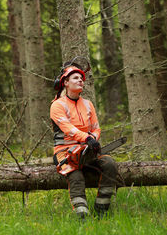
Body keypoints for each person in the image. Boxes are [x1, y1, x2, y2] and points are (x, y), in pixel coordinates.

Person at [50, 57, 118, 219]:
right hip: (65, 152)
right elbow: (68, 128)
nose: (80, 80)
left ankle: (102, 208)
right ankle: (82, 215)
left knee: (109, 164)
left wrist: (93, 139)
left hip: (87, 149)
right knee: (76, 175)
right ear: (65, 82)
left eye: (81, 78)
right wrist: (87, 138)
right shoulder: (57, 105)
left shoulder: (88, 104)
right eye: (75, 78)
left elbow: (96, 127)